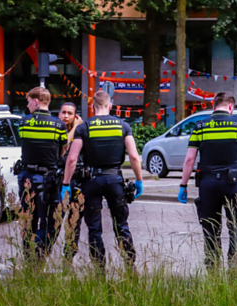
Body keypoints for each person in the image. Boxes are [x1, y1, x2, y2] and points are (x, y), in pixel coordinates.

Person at [61, 91, 143, 271]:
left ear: (92, 106)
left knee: (94, 227)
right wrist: (139, 180)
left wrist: (66, 184)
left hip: (91, 181)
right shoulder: (123, 125)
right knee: (121, 224)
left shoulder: (84, 128)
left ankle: (99, 268)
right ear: (110, 106)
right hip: (114, 180)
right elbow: (134, 156)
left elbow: (72, 159)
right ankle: (130, 264)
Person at [178, 92, 237, 268]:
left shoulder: (200, 126)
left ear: (213, 106)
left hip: (208, 185)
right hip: (234, 184)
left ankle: (213, 271)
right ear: (231, 107)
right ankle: (234, 270)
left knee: (210, 229)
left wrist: (183, 185)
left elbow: (190, 159)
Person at [18, 87, 68, 264]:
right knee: (51, 219)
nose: (28, 104)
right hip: (48, 179)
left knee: (28, 219)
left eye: (29, 101)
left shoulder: (23, 122)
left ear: (37, 101)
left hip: (27, 177)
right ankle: (40, 253)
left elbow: (23, 142)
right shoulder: (59, 125)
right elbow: (63, 149)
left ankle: (29, 258)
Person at [58, 102, 85, 261]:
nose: (66, 116)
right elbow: (64, 146)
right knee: (55, 219)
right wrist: (76, 127)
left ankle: (68, 258)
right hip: (59, 181)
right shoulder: (57, 129)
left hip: (76, 182)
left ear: (75, 117)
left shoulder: (81, 133)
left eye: (69, 113)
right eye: (63, 112)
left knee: (73, 223)